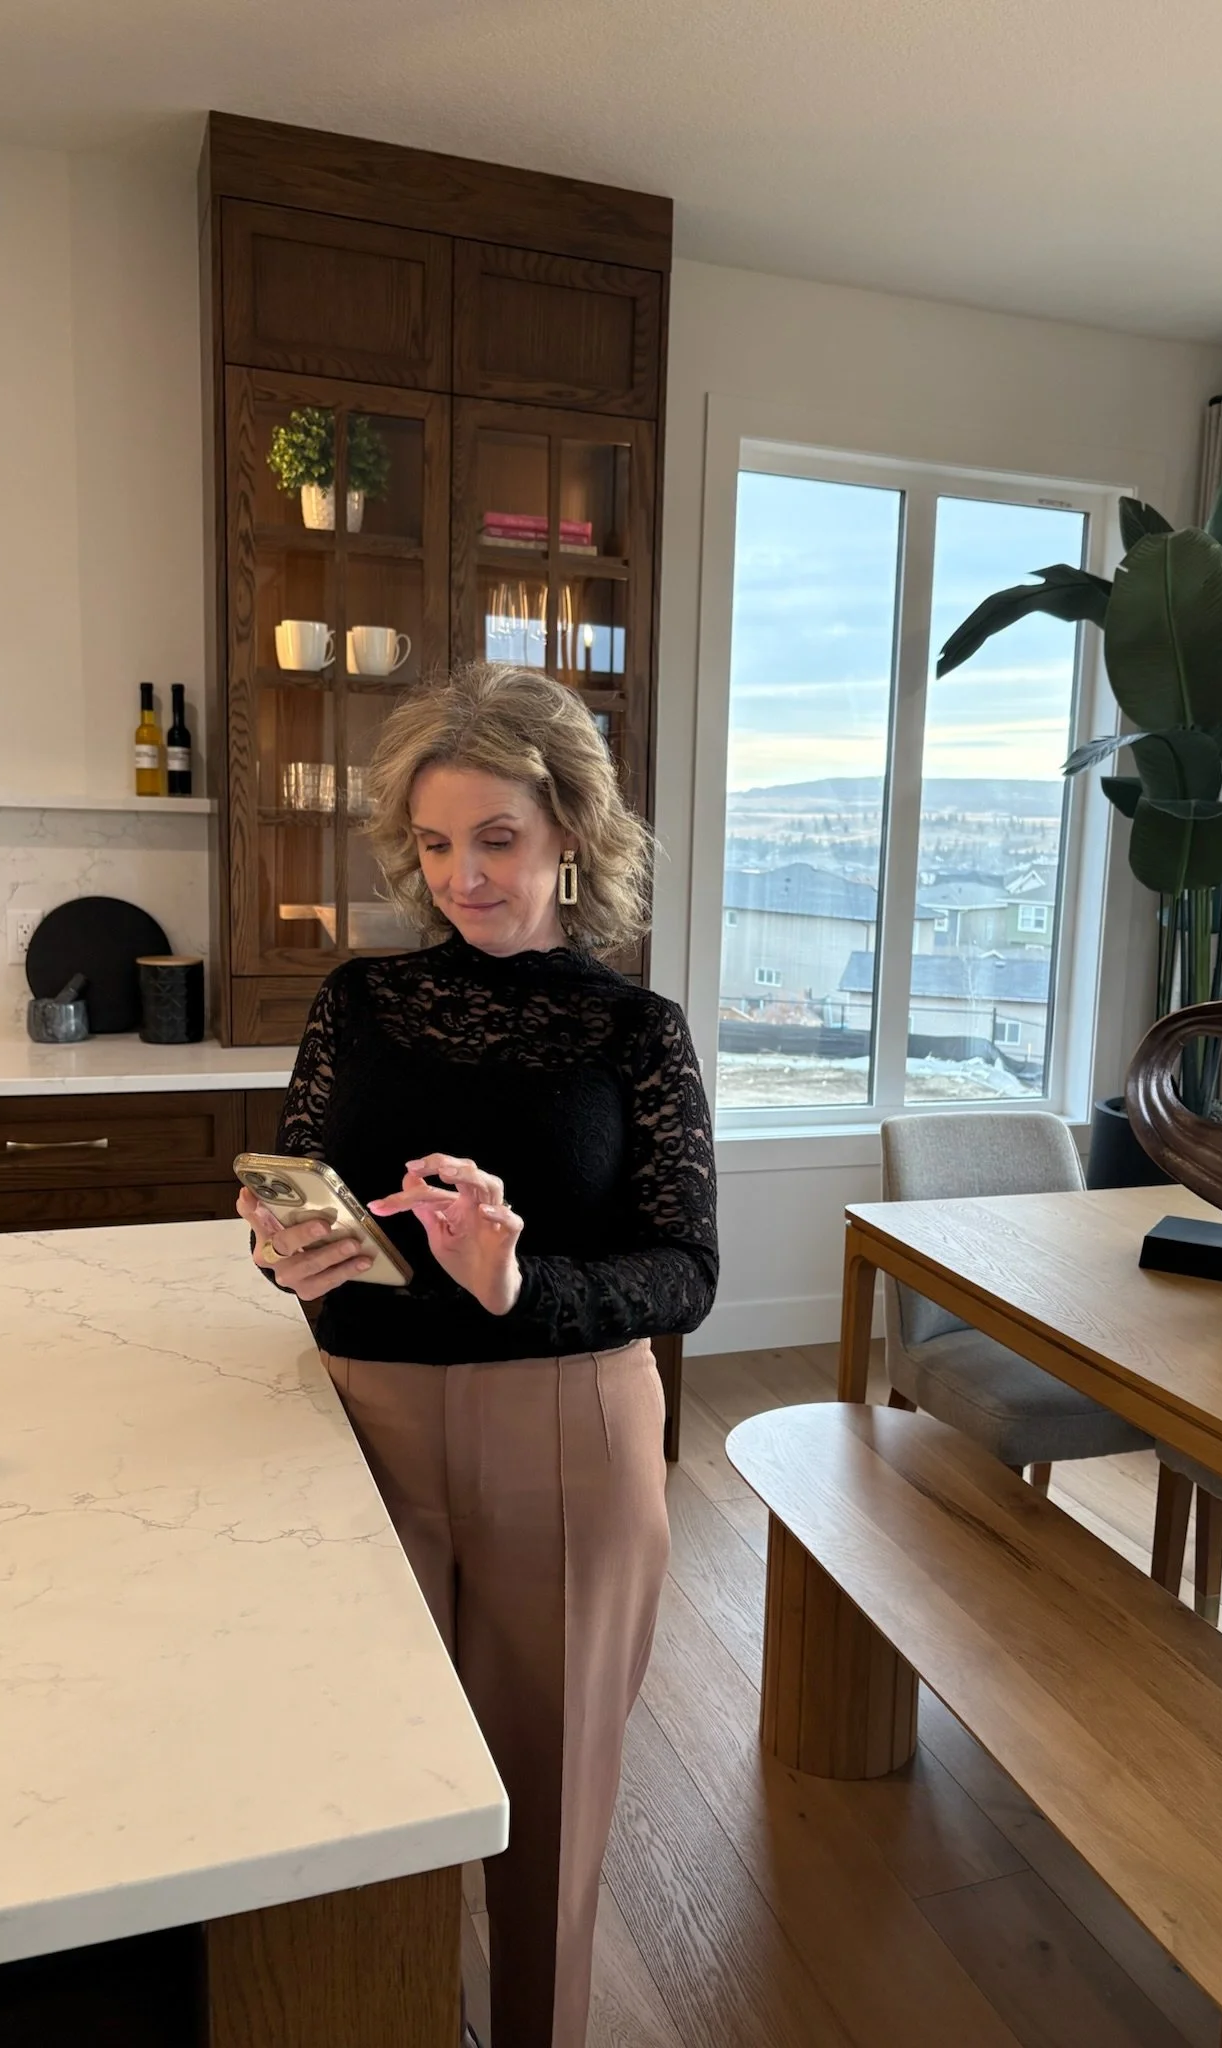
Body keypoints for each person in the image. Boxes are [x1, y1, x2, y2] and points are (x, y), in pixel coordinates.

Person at [236, 663, 718, 2048]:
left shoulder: (636, 1032)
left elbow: (685, 1272)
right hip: (359, 1426)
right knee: (362, 1787)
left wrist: (518, 1282)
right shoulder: (356, 1003)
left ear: (571, 832)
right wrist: (284, 1250)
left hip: (569, 1435)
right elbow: (304, 1188)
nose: (463, 877)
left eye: (496, 840)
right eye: (437, 844)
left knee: (549, 1808)